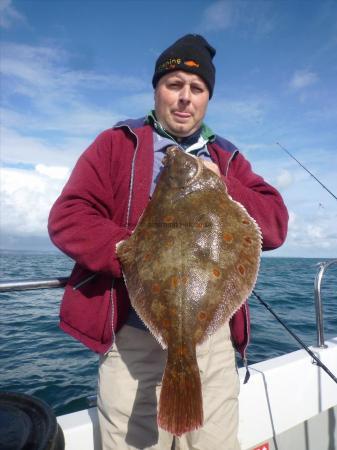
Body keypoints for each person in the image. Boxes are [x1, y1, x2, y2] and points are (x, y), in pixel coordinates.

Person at [48, 34, 288, 450]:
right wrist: (134, 251)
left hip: (210, 341)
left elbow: (275, 225)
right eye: (173, 84)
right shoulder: (115, 144)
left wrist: (223, 183)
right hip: (133, 335)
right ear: (156, 90)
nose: (184, 98)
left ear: (207, 99)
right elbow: (68, 217)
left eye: (196, 89)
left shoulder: (228, 159)